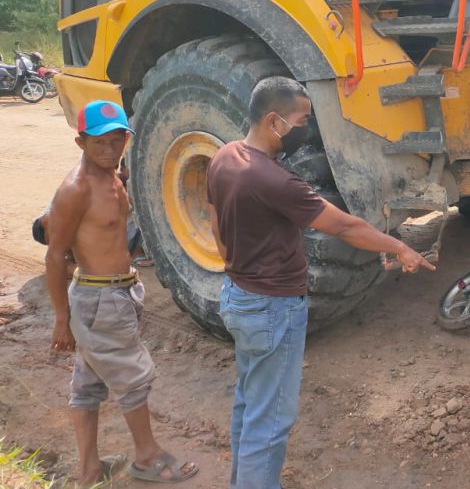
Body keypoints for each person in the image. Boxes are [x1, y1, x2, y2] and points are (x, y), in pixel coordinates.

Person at [207, 77, 435, 489]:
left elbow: (216, 225)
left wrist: (239, 266)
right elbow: (344, 226)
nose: (306, 129)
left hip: (238, 297)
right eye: (302, 120)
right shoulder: (275, 181)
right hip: (272, 308)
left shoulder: (224, 157)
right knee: (271, 423)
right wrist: (399, 248)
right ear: (275, 121)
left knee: (250, 406)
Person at [45, 100, 197, 486]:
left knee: (89, 383)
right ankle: (147, 457)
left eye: (118, 139)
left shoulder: (112, 177)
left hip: (115, 295)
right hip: (100, 299)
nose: (111, 148)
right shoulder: (75, 189)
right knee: (133, 377)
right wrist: (62, 319)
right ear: (80, 142)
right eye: (100, 142)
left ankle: (89, 470)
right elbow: (54, 255)